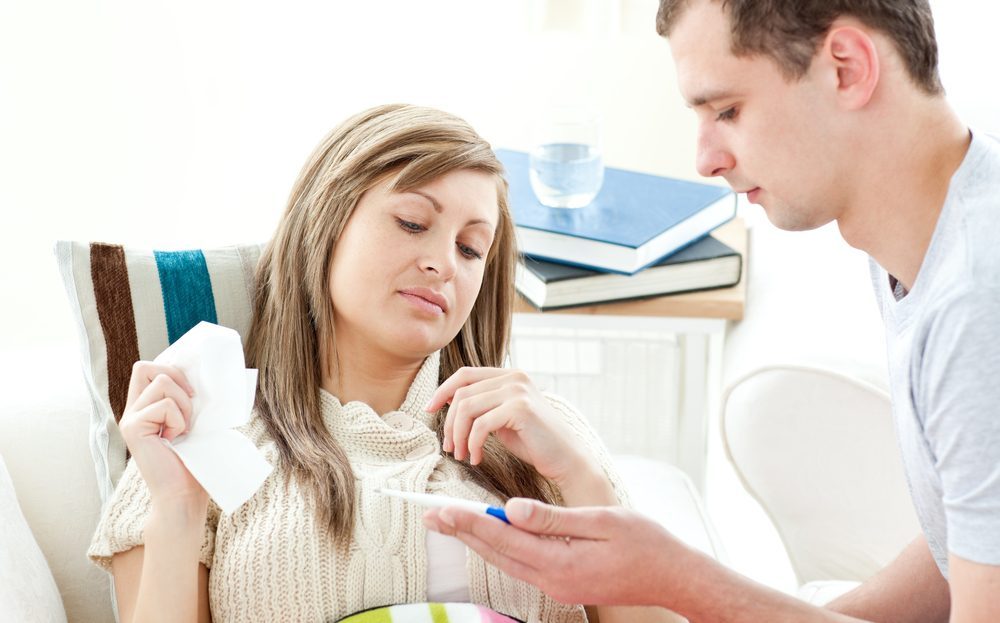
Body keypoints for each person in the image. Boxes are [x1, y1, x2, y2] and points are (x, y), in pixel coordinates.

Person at [423, 1, 1000, 622]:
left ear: (847, 68)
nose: (706, 160)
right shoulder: (938, 230)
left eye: (727, 110)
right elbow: (962, 548)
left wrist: (680, 579)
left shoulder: (976, 305)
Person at [87, 104, 679, 623]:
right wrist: (178, 507)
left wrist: (581, 480)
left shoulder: (548, 437)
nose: (444, 264)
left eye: (471, 248)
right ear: (326, 225)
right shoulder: (196, 440)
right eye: (413, 223)